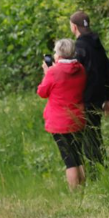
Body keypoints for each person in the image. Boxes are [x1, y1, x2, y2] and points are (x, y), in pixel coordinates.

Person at [38, 38, 87, 189]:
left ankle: (75, 195)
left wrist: (47, 73)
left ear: (58, 54)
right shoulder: (81, 69)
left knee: (69, 160)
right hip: (78, 118)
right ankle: (84, 190)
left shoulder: (53, 72)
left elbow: (42, 92)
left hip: (60, 122)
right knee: (78, 156)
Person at [71, 11, 109, 169]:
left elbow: (73, 75)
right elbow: (108, 72)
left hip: (84, 100)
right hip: (99, 98)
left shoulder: (79, 47)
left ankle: (95, 173)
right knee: (95, 136)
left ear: (74, 27)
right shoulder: (97, 44)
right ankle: (102, 170)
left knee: (87, 140)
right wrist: (108, 98)